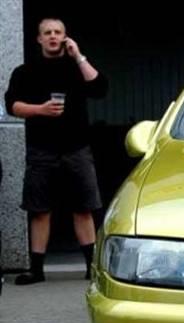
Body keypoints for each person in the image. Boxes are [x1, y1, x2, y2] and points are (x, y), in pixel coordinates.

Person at [4, 17, 108, 285]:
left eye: (57, 32)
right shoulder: (25, 71)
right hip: (41, 150)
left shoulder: (76, 69)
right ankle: (36, 270)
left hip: (77, 147)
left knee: (84, 207)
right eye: (47, 32)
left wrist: (79, 56)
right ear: (38, 39)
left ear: (65, 37)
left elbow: (100, 88)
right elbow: (12, 105)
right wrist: (40, 110)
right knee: (40, 209)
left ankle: (91, 266)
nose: (52, 36)